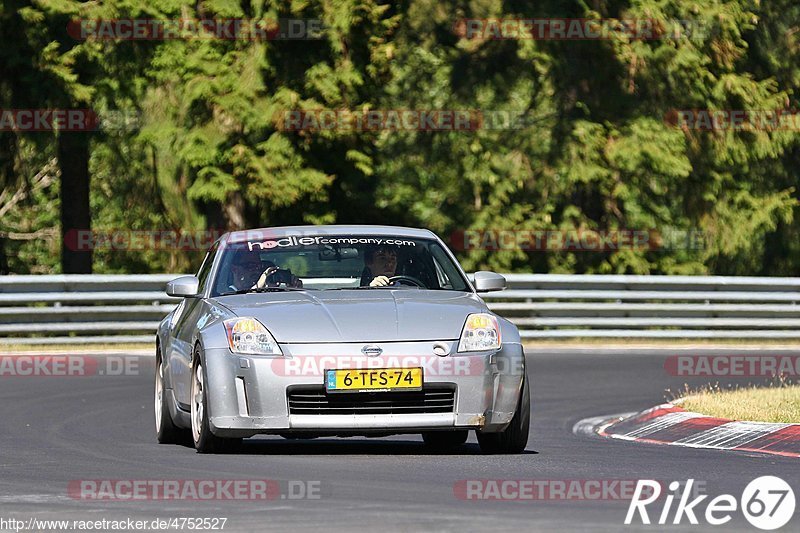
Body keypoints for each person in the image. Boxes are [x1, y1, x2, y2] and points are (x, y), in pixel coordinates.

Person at [229, 252, 302, 291]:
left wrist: (295, 290)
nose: (256, 271)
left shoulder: (267, 291)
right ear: (235, 269)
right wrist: (258, 286)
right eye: (251, 266)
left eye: (259, 266)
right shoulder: (226, 293)